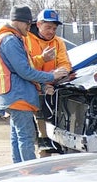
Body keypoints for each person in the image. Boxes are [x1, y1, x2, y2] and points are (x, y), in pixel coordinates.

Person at [0, 5, 69, 162]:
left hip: (15, 96)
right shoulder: (10, 40)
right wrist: (51, 76)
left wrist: (43, 83)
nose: (29, 28)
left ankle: (18, 170)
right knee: (26, 138)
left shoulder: (11, 38)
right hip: (19, 97)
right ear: (19, 22)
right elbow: (25, 71)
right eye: (28, 24)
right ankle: (28, 174)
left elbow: (25, 67)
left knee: (17, 137)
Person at [25, 8, 73, 155]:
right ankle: (43, 155)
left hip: (52, 90)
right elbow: (26, 68)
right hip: (33, 90)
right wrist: (44, 79)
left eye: (54, 28)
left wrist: (58, 73)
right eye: (48, 27)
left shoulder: (58, 42)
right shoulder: (26, 40)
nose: (51, 31)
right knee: (40, 130)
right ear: (38, 24)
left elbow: (65, 63)